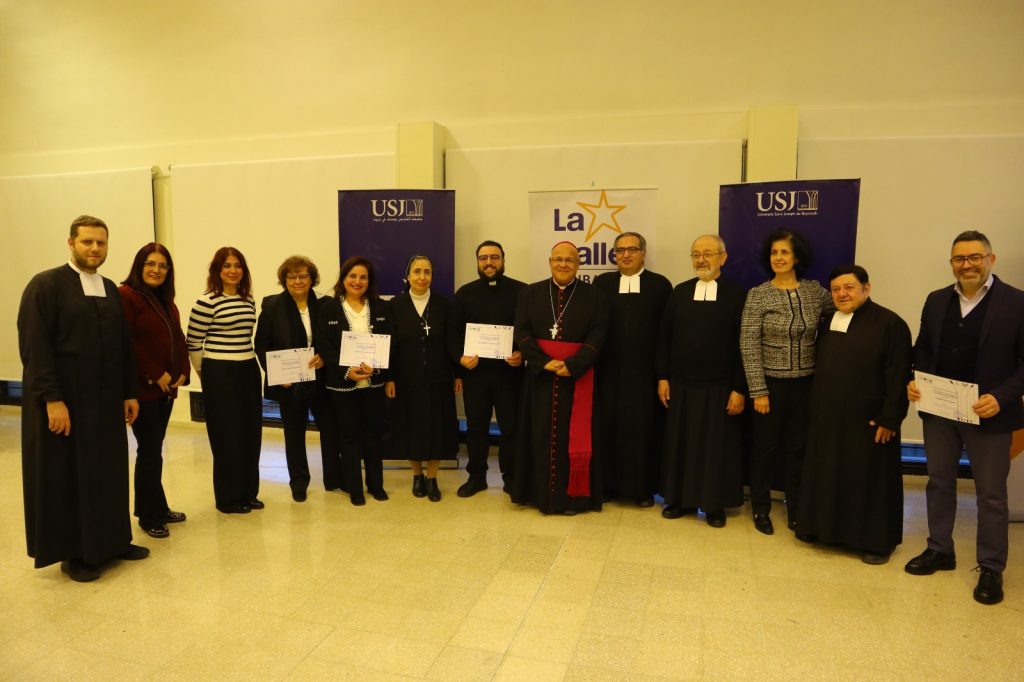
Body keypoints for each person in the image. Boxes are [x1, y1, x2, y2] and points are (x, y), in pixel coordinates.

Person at [18, 215, 149, 582]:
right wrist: (52, 399)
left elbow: (122, 346)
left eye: (100, 243)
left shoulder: (108, 288)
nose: (94, 249)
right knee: (71, 477)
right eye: (87, 242)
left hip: (105, 404)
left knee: (108, 472)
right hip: (68, 402)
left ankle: (114, 541)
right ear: (71, 243)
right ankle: (76, 554)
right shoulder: (45, 285)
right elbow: (35, 347)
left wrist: (129, 392)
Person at [904, 231, 1024, 605]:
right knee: (939, 482)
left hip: (990, 413)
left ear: (991, 259)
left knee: (991, 495)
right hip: (941, 412)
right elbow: (923, 348)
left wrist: (1001, 398)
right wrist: (915, 379)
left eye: (974, 257)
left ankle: (991, 567)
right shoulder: (936, 299)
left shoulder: (1017, 302)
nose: (967, 265)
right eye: (959, 259)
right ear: (952, 263)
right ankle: (940, 549)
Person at [795, 265, 912, 563]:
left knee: (868, 480)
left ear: (866, 288)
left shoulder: (891, 324)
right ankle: (822, 529)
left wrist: (890, 418)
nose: (842, 294)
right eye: (836, 289)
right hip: (828, 417)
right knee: (827, 472)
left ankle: (875, 543)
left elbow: (899, 375)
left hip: (869, 420)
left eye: (849, 287)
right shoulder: (828, 322)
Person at [740, 229, 832, 535]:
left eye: (784, 252)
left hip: (806, 386)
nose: (778, 258)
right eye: (774, 253)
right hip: (770, 386)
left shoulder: (815, 292)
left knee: (798, 449)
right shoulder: (758, 294)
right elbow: (748, 344)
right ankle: (760, 508)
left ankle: (796, 508)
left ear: (797, 258)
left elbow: (838, 317)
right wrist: (758, 390)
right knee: (764, 449)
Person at [510, 241, 609, 515]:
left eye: (570, 260)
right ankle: (537, 495)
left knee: (571, 438)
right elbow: (522, 332)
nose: (563, 264)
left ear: (578, 264)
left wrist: (574, 365)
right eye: (558, 259)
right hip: (540, 378)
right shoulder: (529, 294)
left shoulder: (595, 296)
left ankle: (573, 499)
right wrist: (544, 362)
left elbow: (599, 335)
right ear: (550, 262)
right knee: (538, 435)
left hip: (578, 378)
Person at [657, 235, 747, 527]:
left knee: (714, 449)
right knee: (680, 445)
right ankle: (678, 499)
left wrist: (739, 388)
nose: (701, 259)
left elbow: (745, 345)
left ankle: (713, 505)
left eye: (708, 254)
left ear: (723, 257)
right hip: (681, 384)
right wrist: (662, 377)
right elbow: (664, 338)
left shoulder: (737, 295)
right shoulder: (680, 291)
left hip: (720, 386)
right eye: (696, 254)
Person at [594, 231, 672, 507]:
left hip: (644, 375)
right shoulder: (602, 283)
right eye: (620, 250)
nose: (625, 255)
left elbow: (666, 334)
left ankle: (642, 489)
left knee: (642, 430)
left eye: (632, 250)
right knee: (607, 427)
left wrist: (662, 374)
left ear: (643, 253)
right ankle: (607, 486)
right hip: (608, 373)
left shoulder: (660, 285)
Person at [118, 243, 191, 538]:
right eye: (150, 263)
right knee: (149, 451)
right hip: (143, 390)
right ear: (139, 265)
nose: (156, 270)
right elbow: (126, 342)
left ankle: (158, 506)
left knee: (154, 450)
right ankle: (148, 516)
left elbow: (178, 338)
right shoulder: (126, 295)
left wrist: (183, 370)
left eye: (162, 265)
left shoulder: (166, 301)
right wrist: (154, 373)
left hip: (165, 390)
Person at [186, 247, 263, 514]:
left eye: (237, 265)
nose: (233, 270)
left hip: (248, 368)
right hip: (219, 371)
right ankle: (229, 499)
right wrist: (203, 373)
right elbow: (193, 341)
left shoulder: (248, 299)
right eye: (227, 266)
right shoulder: (207, 301)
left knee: (251, 432)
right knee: (227, 436)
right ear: (217, 271)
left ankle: (248, 493)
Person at [255, 255, 336, 503]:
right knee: (294, 434)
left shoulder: (326, 305)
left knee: (330, 430)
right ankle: (299, 482)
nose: (298, 281)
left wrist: (325, 358)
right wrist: (276, 374)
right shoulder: (272, 306)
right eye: (292, 277)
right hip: (288, 383)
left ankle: (334, 478)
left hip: (321, 379)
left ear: (312, 279)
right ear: (284, 280)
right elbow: (261, 344)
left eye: (303, 276)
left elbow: (334, 340)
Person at [448, 240, 526, 497]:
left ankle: (512, 478)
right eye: (484, 258)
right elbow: (452, 333)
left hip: (510, 375)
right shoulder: (464, 293)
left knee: (511, 428)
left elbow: (530, 330)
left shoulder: (522, 292)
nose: (489, 262)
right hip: (476, 375)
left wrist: (522, 354)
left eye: (494, 257)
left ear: (503, 259)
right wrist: (460, 359)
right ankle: (477, 477)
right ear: (478, 262)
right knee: (476, 428)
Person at [317, 256, 394, 506]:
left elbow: (389, 343)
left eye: (363, 277)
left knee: (373, 436)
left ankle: (376, 485)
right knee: (348, 438)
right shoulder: (328, 309)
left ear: (369, 281)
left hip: (373, 384)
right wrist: (345, 370)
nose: (357, 281)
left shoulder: (381, 308)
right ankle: (354, 488)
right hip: (342, 386)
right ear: (343, 279)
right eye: (352, 276)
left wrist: (378, 367)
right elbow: (324, 347)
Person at [386, 255, 460, 502]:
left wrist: (458, 374)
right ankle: (417, 475)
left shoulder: (443, 305)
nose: (422, 277)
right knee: (411, 427)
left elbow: (452, 342)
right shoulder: (395, 305)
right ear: (407, 276)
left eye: (427, 272)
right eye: (417, 271)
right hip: (406, 379)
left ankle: (432, 477)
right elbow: (390, 345)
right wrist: (390, 378)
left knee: (437, 427)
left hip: (439, 378)